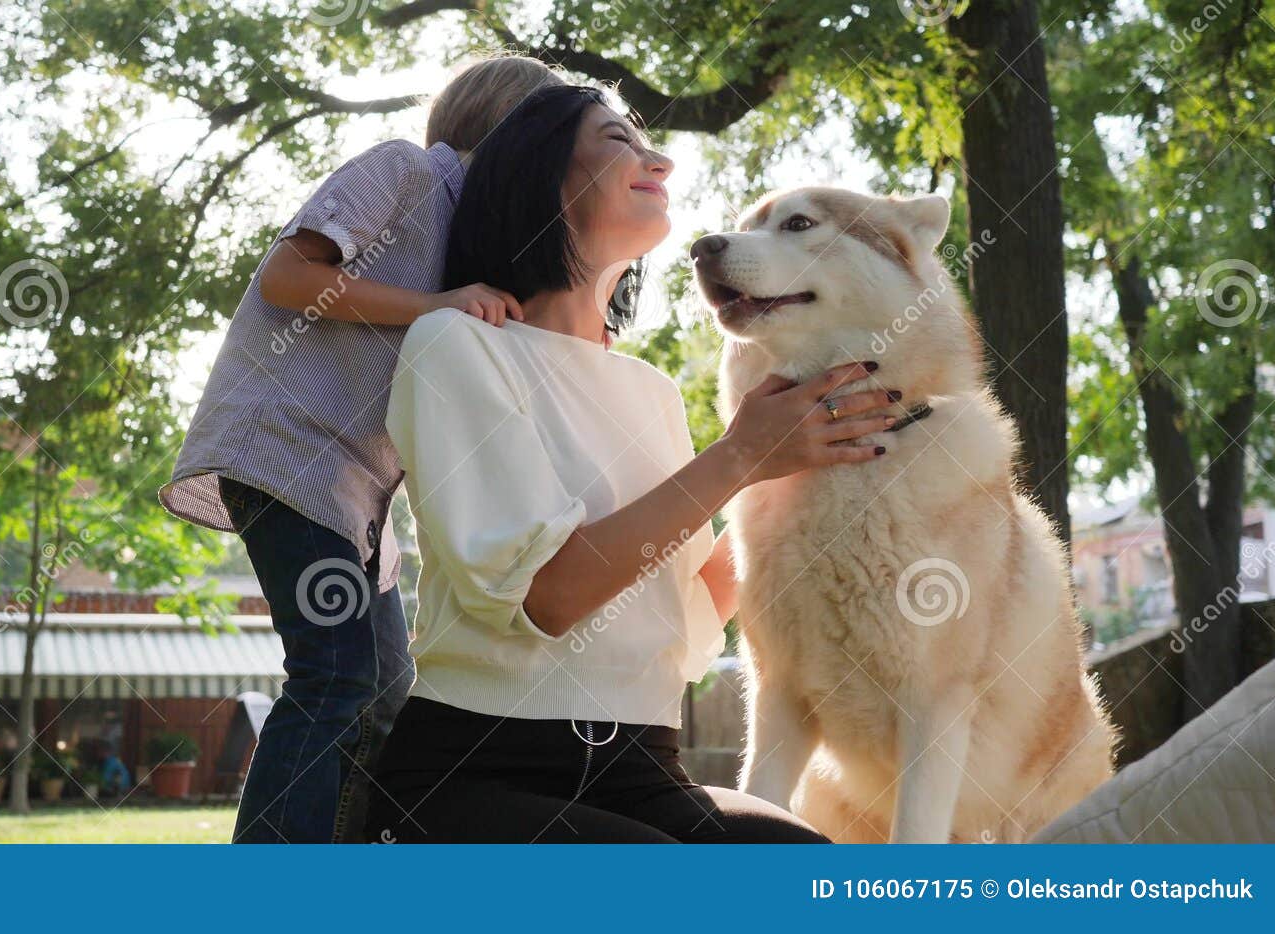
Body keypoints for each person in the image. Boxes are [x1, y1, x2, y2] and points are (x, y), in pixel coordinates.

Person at [365, 84, 902, 842]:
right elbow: (550, 596)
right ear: (538, 177)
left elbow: (684, 612)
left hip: (644, 768)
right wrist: (743, 452)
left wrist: (825, 468)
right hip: (477, 769)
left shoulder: (651, 391)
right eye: (618, 140)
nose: (661, 158)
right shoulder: (456, 345)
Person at [158, 55, 564, 843]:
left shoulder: (472, 242)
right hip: (288, 455)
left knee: (384, 687)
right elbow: (286, 275)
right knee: (334, 673)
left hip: (357, 502)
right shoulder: (405, 172)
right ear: (511, 127)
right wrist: (434, 305)